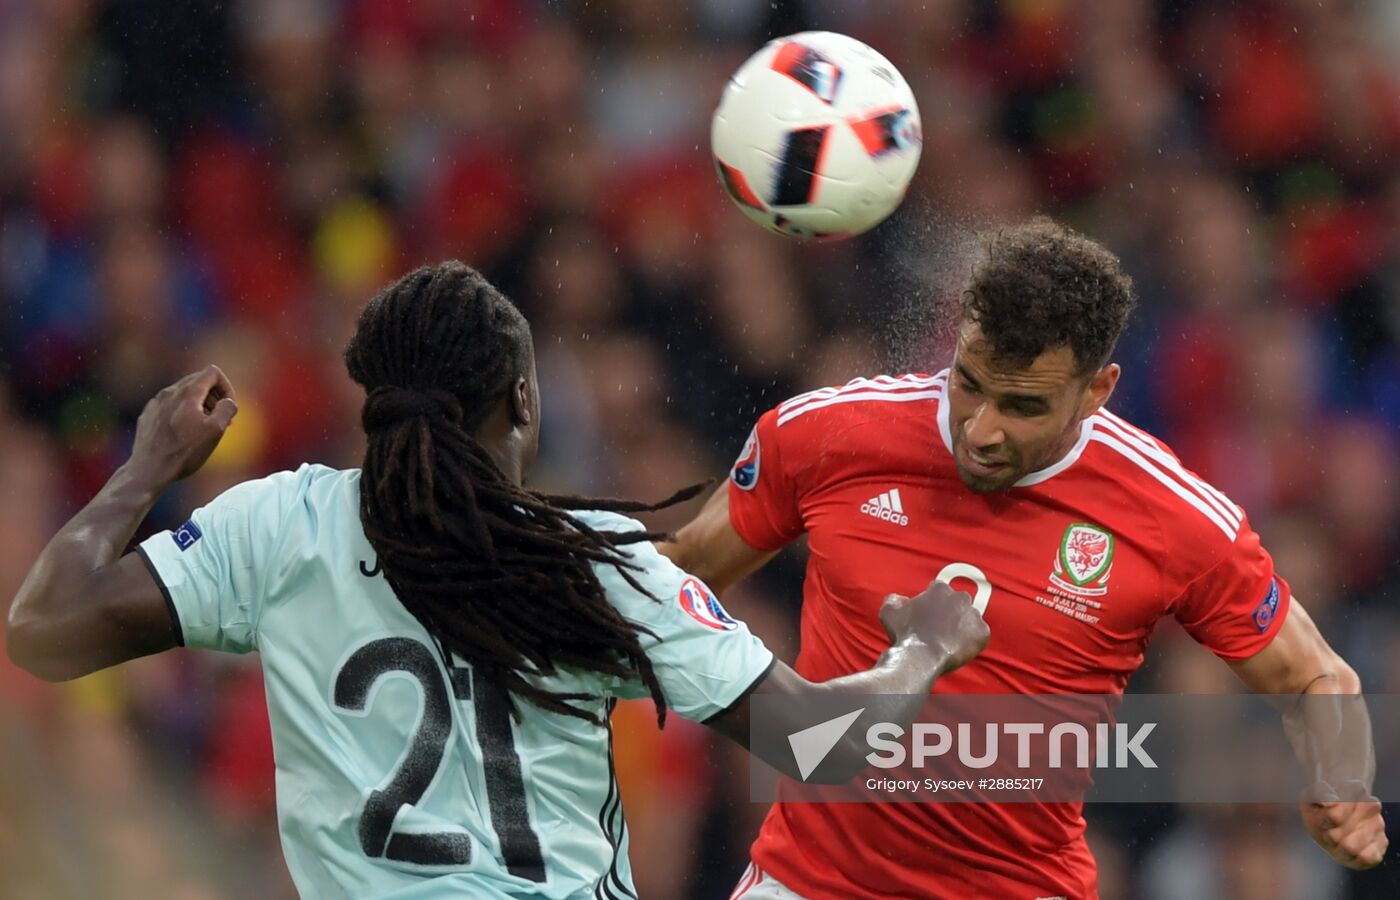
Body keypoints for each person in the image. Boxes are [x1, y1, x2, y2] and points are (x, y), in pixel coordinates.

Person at [6, 262, 990, 899]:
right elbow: (824, 745)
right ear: (522, 400)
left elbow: (45, 627)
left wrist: (145, 466)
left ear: (373, 405)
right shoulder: (593, 562)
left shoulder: (279, 527)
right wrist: (926, 647)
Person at [662, 219, 1388, 900]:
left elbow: (1315, 673)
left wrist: (1343, 778)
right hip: (806, 882)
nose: (980, 430)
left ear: (1095, 392)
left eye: (1022, 406)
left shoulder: (1173, 517)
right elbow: (678, 575)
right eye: (968, 384)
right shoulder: (825, 436)